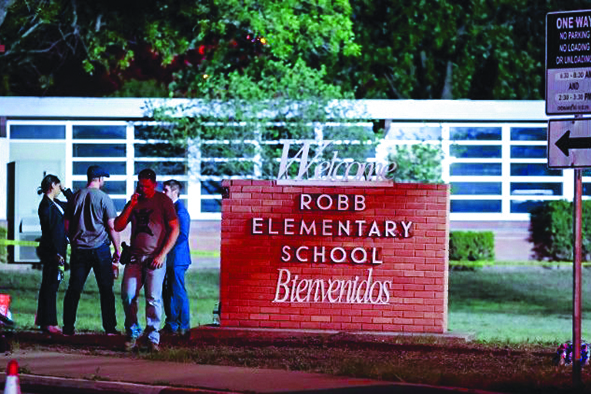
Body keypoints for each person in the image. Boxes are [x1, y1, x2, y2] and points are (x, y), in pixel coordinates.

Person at [114, 168, 179, 351]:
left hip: (154, 258)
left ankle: (152, 338)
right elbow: (118, 226)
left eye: (147, 186)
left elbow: (175, 229)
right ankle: (133, 332)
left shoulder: (163, 201)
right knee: (128, 295)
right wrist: (130, 206)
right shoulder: (135, 201)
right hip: (134, 257)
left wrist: (162, 254)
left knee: (153, 298)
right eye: (140, 185)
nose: (143, 189)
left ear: (155, 184)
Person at [63, 165, 121, 336]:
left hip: (79, 249)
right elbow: (111, 226)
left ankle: (68, 327)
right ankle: (109, 328)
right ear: (100, 179)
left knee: (74, 288)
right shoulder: (104, 198)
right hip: (100, 249)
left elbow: (66, 223)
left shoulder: (75, 197)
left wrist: (72, 239)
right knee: (105, 289)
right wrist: (117, 249)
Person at [35, 174, 73, 334]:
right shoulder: (46, 206)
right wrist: (56, 253)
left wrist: (66, 190)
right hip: (53, 252)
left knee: (50, 284)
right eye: (58, 186)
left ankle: (44, 321)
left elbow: (72, 204)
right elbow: (50, 233)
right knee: (51, 285)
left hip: (57, 250)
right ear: (52, 185)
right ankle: (49, 322)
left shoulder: (54, 204)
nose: (59, 189)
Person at [162, 179, 191, 336]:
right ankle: (171, 325)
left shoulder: (180, 211)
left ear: (175, 192)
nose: (163, 193)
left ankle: (183, 327)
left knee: (178, 291)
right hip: (169, 258)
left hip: (178, 259)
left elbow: (182, 235)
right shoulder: (170, 209)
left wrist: (165, 247)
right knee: (168, 292)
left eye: (165, 190)